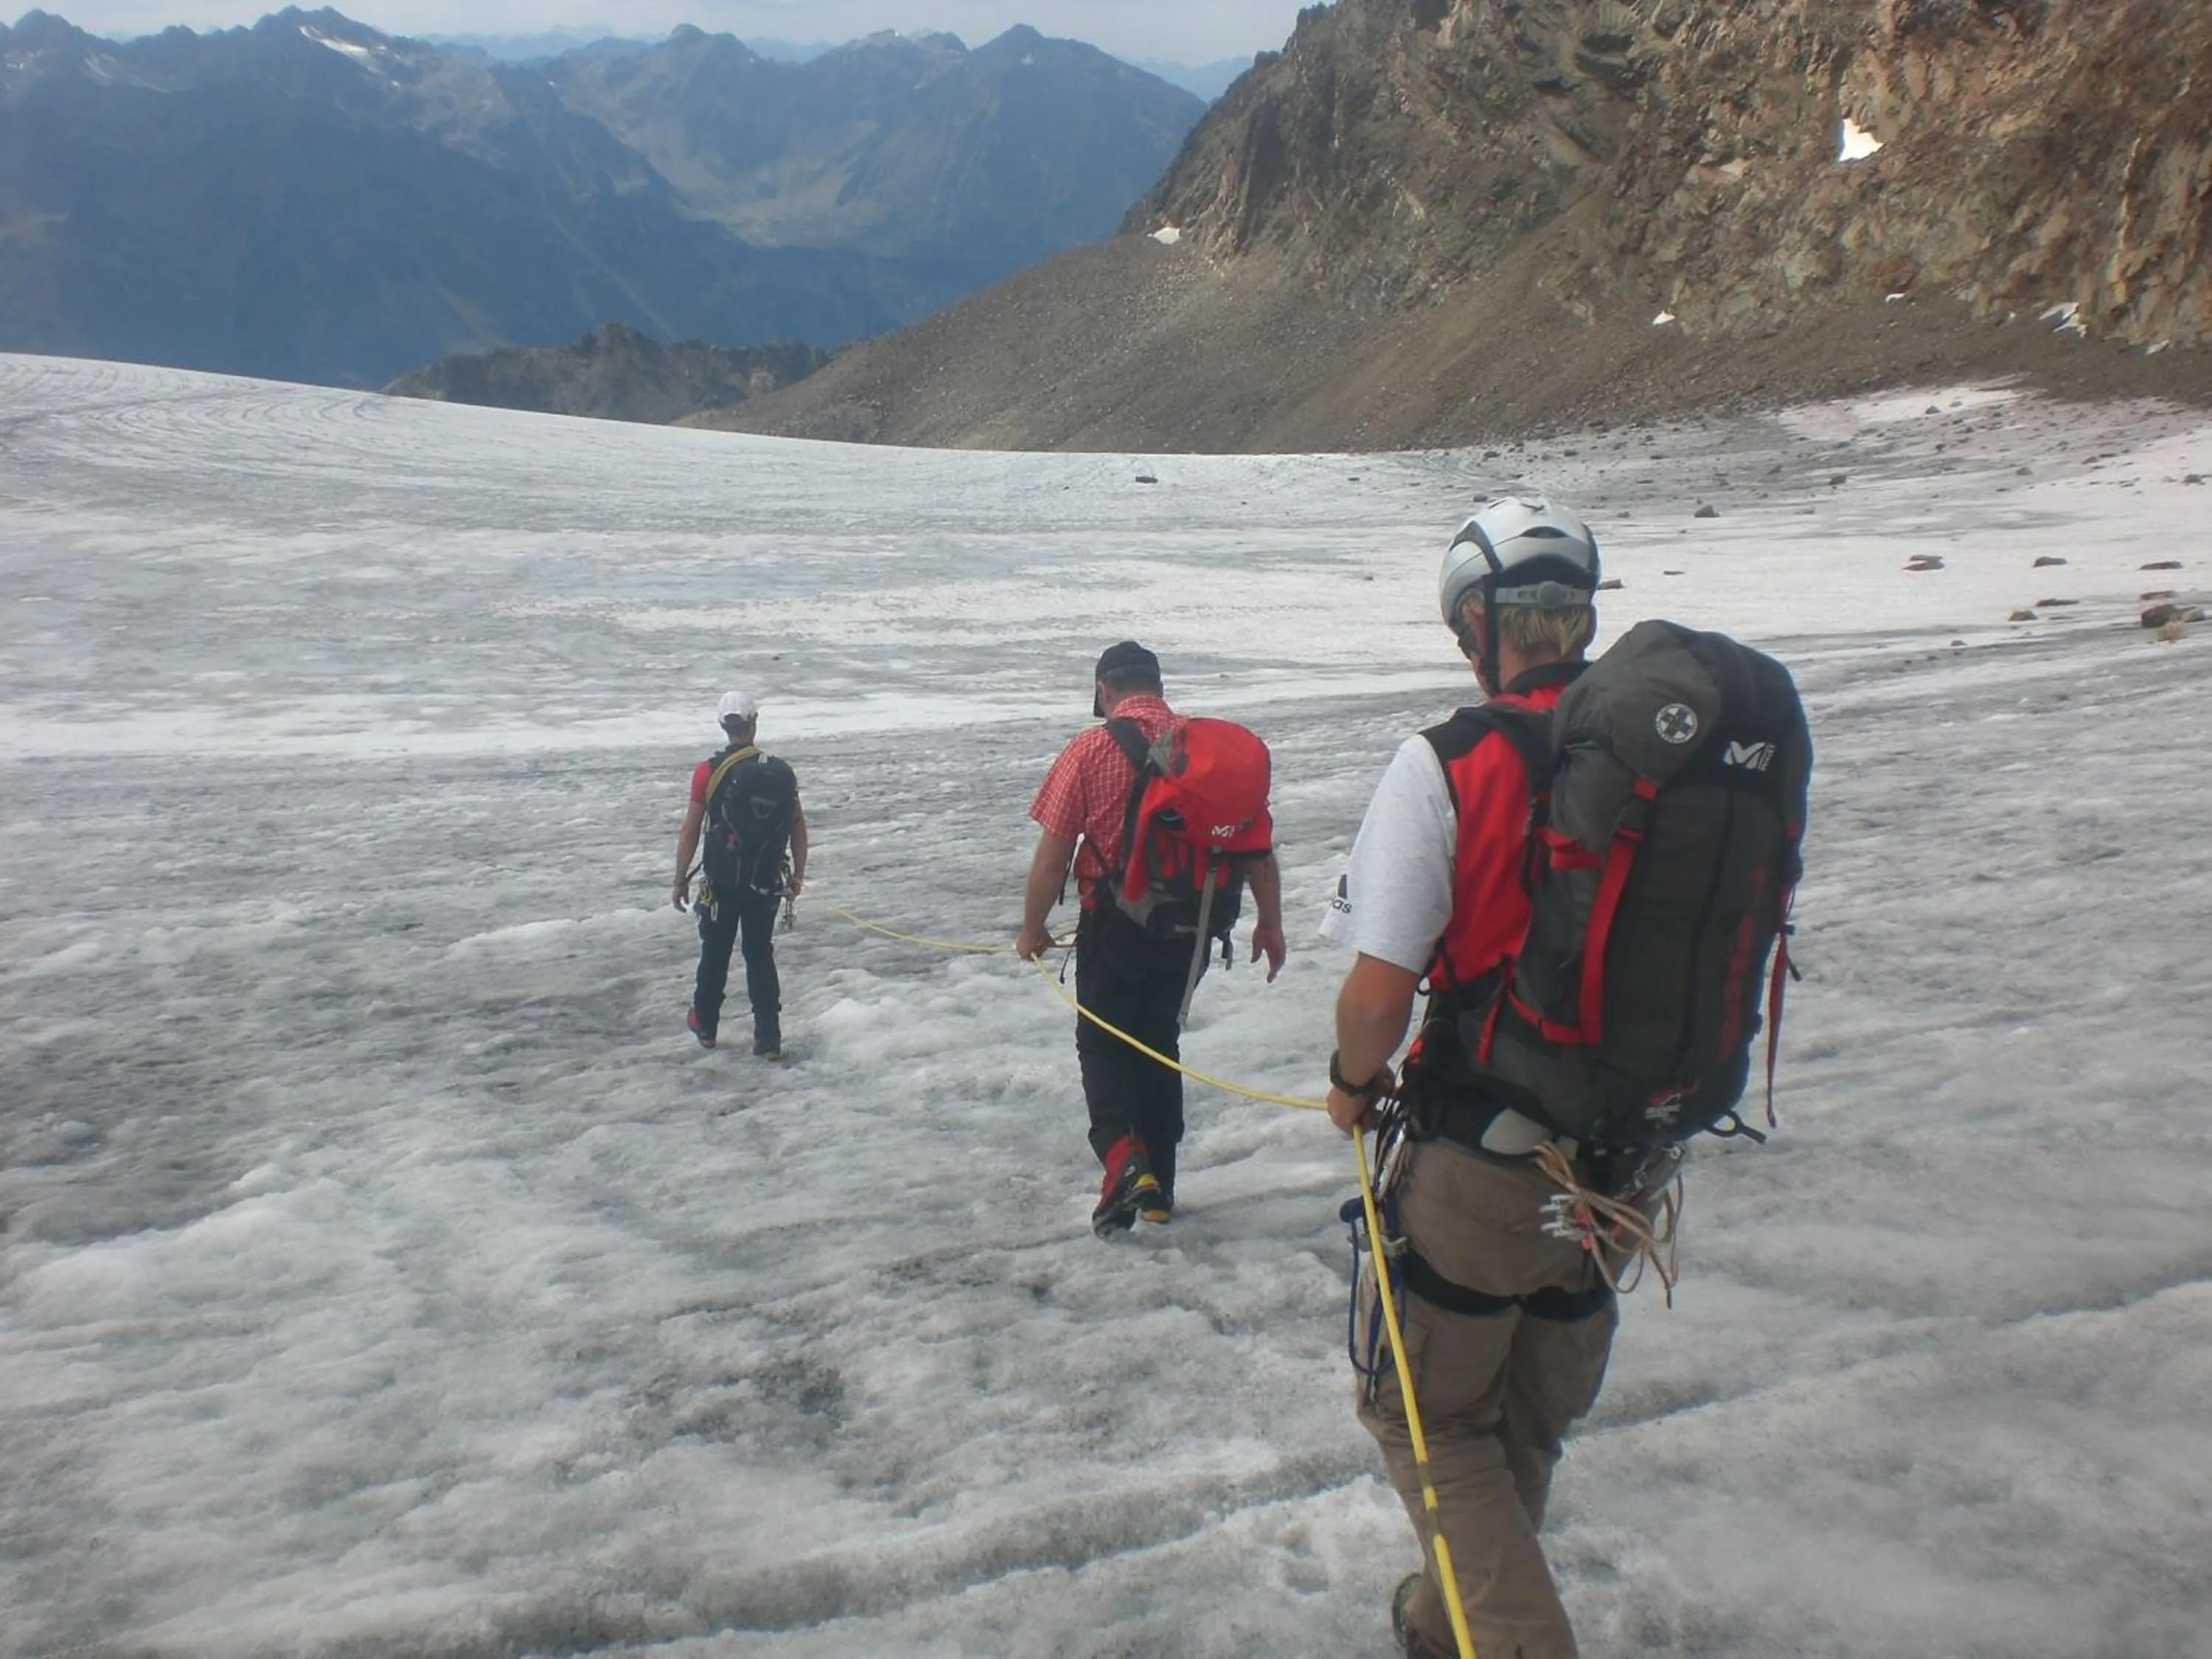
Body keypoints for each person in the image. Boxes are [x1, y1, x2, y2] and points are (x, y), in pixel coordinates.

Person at [1321, 498, 1615, 1659]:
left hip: (1483, 1156)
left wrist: (1353, 1083)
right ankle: (1449, 1628)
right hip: (1618, 1171)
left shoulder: (1452, 761)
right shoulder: (1656, 761)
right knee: (1522, 1423)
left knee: (1434, 1419)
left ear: (1476, 627)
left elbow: (1379, 992)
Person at [1015, 641, 1288, 1234]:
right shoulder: (1203, 752)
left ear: (1103, 692)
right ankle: (1160, 1188)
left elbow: (1053, 857)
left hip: (1114, 924)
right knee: (1159, 1041)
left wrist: (1032, 930)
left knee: (1104, 1043)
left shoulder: (1089, 749)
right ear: (1158, 689)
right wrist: (1270, 921)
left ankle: (1121, 1162)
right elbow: (1256, 846)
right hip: (1192, 928)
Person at [672, 690, 807, 1059]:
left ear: (723, 726)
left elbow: (691, 828)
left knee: (715, 951)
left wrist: (680, 879)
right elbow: (797, 825)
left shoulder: (707, 772)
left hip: (720, 881)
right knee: (759, 953)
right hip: (766, 880)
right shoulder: (781, 771)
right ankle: (767, 1038)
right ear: (754, 722)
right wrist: (797, 876)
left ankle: (706, 1025)